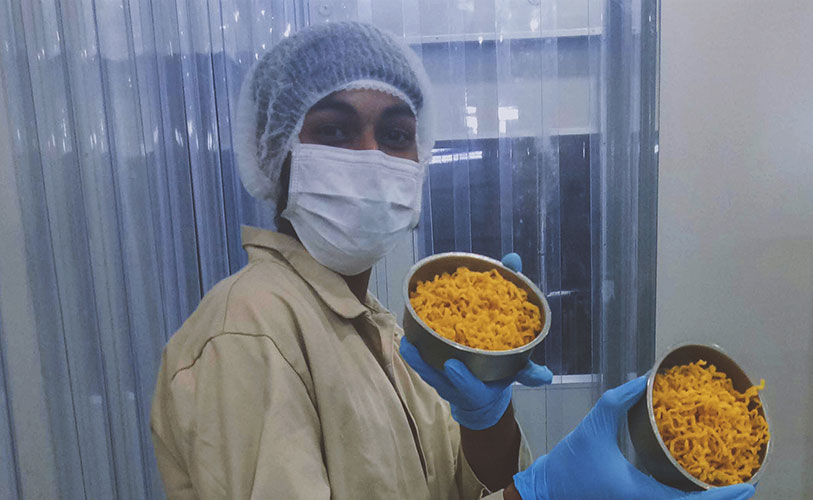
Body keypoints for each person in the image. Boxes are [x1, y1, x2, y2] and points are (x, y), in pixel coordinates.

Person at [150, 21, 756, 500]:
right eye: (334, 132)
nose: (371, 158)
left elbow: (466, 489)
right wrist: (545, 490)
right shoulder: (251, 330)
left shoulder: (383, 331)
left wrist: (486, 414)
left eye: (394, 135)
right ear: (275, 154)